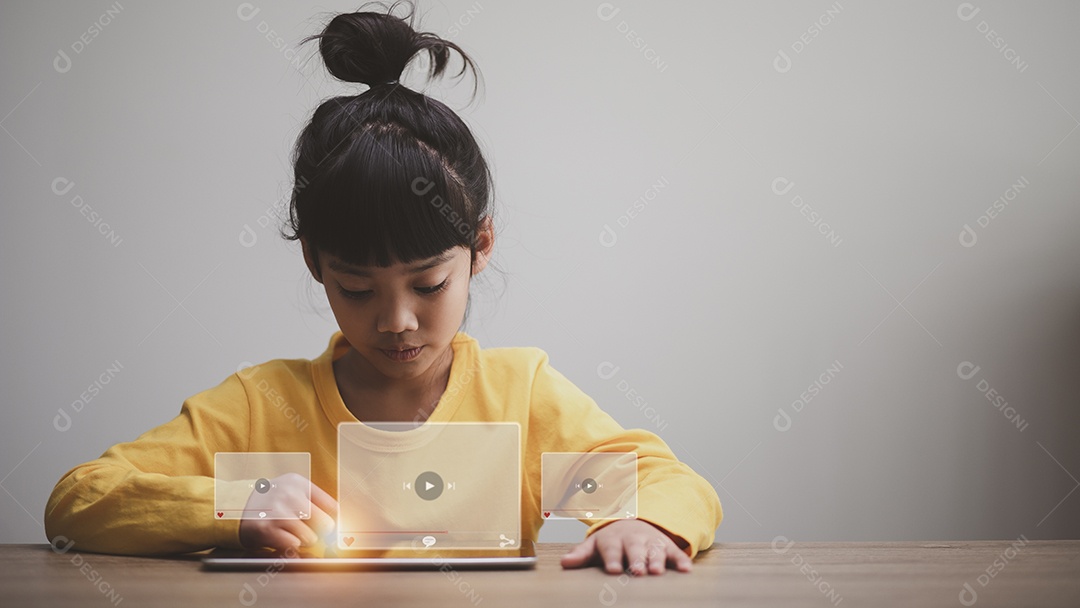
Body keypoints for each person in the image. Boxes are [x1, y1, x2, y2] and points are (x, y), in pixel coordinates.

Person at [44, 2, 722, 576]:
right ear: (314, 263)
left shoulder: (518, 399)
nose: (398, 322)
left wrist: (644, 526)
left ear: (479, 247)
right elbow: (78, 501)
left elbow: (674, 485)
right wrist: (234, 505)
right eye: (357, 289)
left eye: (428, 283)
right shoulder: (261, 407)